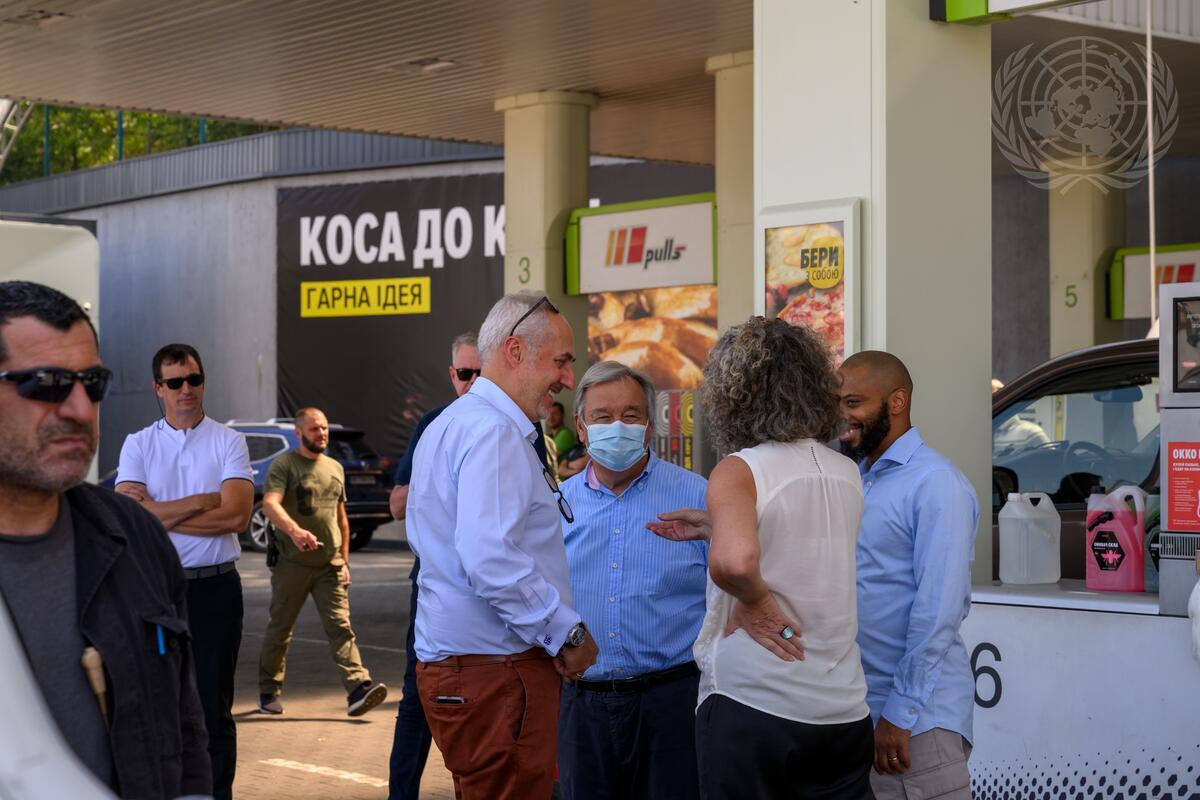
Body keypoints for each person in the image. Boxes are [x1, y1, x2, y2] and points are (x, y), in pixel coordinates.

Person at [0, 280, 210, 797]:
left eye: (92, 383)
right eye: (47, 383)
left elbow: (183, 722)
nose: (79, 408)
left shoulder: (134, 536)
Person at [650, 317, 873, 798]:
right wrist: (716, 525)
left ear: (733, 394)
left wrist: (757, 603)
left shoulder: (739, 470)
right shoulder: (846, 472)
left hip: (756, 702)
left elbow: (734, 563)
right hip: (843, 710)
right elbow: (803, 543)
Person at [406, 292, 599, 800]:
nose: (567, 379)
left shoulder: (454, 423)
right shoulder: (493, 432)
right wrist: (567, 634)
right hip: (496, 673)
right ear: (515, 351)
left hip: (474, 670)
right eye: (560, 362)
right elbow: (490, 558)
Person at [557, 361, 708, 800]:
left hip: (672, 702)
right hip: (582, 705)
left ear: (649, 425)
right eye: (602, 417)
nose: (617, 427)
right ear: (581, 427)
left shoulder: (697, 496)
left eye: (630, 415)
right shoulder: (556, 506)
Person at [838, 351, 979, 799]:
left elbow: (939, 610)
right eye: (838, 403)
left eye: (854, 402)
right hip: (859, 713)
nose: (843, 415)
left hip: (915, 724)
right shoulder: (857, 479)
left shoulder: (936, 482)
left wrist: (900, 713)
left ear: (897, 402)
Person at [116, 342, 253, 800]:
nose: (185, 389)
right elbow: (130, 518)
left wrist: (158, 512)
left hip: (215, 590)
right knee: (159, 706)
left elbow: (237, 516)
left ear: (203, 382)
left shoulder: (228, 441)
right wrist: (201, 500)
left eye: (193, 379)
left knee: (213, 707)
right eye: (174, 382)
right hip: (156, 593)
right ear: (158, 388)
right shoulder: (139, 443)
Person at [387, 331, 480, 800]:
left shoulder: (518, 425)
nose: (473, 382)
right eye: (465, 373)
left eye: (481, 373)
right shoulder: (433, 423)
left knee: (495, 696)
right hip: (436, 584)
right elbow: (397, 505)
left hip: (492, 586)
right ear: (452, 375)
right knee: (418, 695)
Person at [256, 407, 388, 716]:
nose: (322, 434)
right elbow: (270, 504)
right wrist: (294, 531)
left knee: (341, 627)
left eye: (325, 428)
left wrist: (344, 560)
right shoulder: (284, 465)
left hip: (330, 565)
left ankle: (358, 687)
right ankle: (268, 690)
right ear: (298, 433)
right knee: (280, 629)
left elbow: (341, 518)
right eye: (315, 429)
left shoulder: (335, 467)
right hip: (293, 564)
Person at [547, 401, 579, 465]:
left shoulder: (565, 434)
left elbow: (549, 458)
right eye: (548, 414)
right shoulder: (549, 436)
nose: (551, 417)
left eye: (555, 413)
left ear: (562, 415)